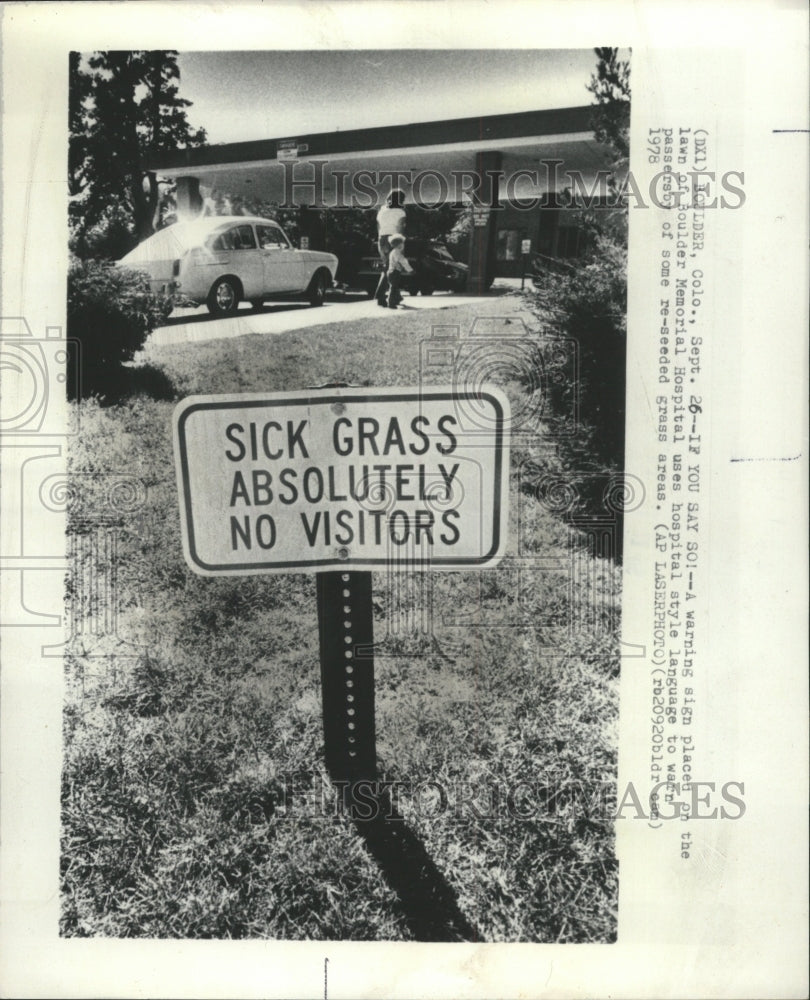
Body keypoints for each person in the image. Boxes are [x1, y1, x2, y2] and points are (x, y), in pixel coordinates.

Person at [374, 189, 406, 306]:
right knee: (394, 269)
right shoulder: (401, 212)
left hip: (382, 239)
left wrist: (380, 243)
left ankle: (393, 296)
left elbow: (378, 228)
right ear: (401, 200)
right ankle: (382, 296)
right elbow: (400, 228)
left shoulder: (381, 211)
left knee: (387, 267)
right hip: (394, 239)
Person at [386, 233, 413, 308]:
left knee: (395, 286)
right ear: (398, 245)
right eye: (402, 244)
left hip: (391, 272)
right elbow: (404, 262)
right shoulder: (397, 253)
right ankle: (391, 303)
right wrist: (410, 270)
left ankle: (398, 298)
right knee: (393, 287)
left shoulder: (393, 252)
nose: (403, 246)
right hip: (394, 272)